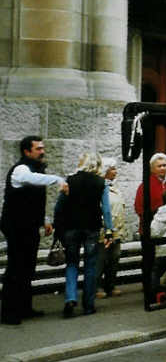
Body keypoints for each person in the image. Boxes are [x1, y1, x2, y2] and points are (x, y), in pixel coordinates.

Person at [1, 136, 67, 325]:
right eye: (38, 148)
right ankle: (8, 313)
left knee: (27, 268)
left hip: (28, 225)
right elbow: (31, 180)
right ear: (27, 151)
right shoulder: (21, 169)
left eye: (43, 148)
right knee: (16, 268)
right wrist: (56, 179)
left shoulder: (36, 169)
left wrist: (44, 220)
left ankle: (24, 308)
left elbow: (35, 200)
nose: (42, 151)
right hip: (15, 226)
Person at [55, 152, 113, 318]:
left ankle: (70, 298)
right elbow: (106, 210)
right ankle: (88, 304)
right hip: (92, 228)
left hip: (71, 228)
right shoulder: (101, 183)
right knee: (90, 266)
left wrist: (57, 227)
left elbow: (59, 205)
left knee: (72, 263)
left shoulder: (69, 180)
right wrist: (109, 230)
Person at [96, 158, 126, 299]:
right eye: (113, 169)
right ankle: (97, 287)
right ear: (105, 171)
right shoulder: (100, 187)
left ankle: (110, 285)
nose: (116, 171)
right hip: (104, 231)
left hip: (117, 230)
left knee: (114, 258)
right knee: (101, 259)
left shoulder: (114, 187)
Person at [135, 152, 166, 224]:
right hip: (153, 226)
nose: (162, 168)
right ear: (152, 168)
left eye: (164, 165)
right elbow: (139, 208)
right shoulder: (145, 185)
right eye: (159, 166)